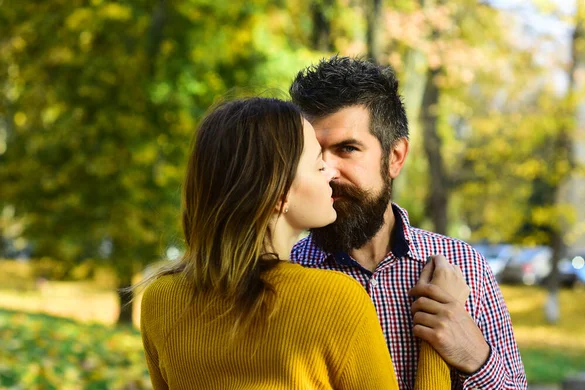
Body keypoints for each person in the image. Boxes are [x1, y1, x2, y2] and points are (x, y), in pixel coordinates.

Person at [138, 97, 468, 389]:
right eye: (316, 163)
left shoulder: (159, 301)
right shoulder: (337, 302)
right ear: (278, 192)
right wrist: (436, 343)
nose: (330, 173)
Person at [289, 56, 528, 389]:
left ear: (395, 157)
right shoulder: (282, 274)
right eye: (313, 154)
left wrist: (474, 356)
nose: (327, 171)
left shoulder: (465, 267)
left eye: (347, 149)